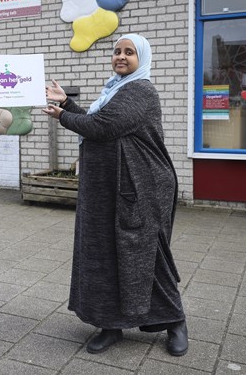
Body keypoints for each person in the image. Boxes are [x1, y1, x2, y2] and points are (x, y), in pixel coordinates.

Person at [43, 34, 188, 356]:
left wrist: (62, 115)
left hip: (141, 189)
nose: (121, 57)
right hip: (110, 188)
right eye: (117, 51)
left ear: (143, 59)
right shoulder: (116, 90)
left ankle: (175, 321)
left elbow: (102, 128)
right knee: (105, 254)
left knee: (147, 257)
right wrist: (67, 104)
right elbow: (97, 121)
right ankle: (110, 323)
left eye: (129, 52)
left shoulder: (141, 90)